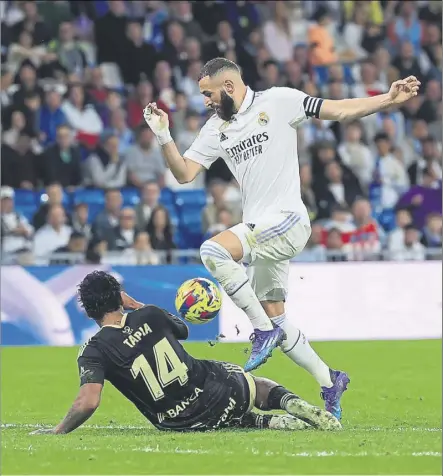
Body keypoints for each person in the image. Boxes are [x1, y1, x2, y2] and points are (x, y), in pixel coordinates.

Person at [143, 57, 420, 418]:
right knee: (278, 318)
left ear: (228, 87)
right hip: (262, 235)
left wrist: (387, 99)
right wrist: (163, 134)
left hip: (288, 221)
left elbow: (336, 110)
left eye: (208, 94)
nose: (206, 101)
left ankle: (259, 331)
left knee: (213, 250)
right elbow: (184, 173)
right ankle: (328, 380)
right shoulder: (215, 129)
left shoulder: (279, 101)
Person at [30, 271, 341, 435]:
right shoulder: (149, 314)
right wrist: (137, 306)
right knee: (248, 380)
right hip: (217, 391)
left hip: (177, 422)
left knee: (219, 414)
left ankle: (265, 424)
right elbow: (182, 330)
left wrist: (58, 430)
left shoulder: (92, 351)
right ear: (119, 298)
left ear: (87, 311)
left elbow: (89, 401)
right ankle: (293, 404)